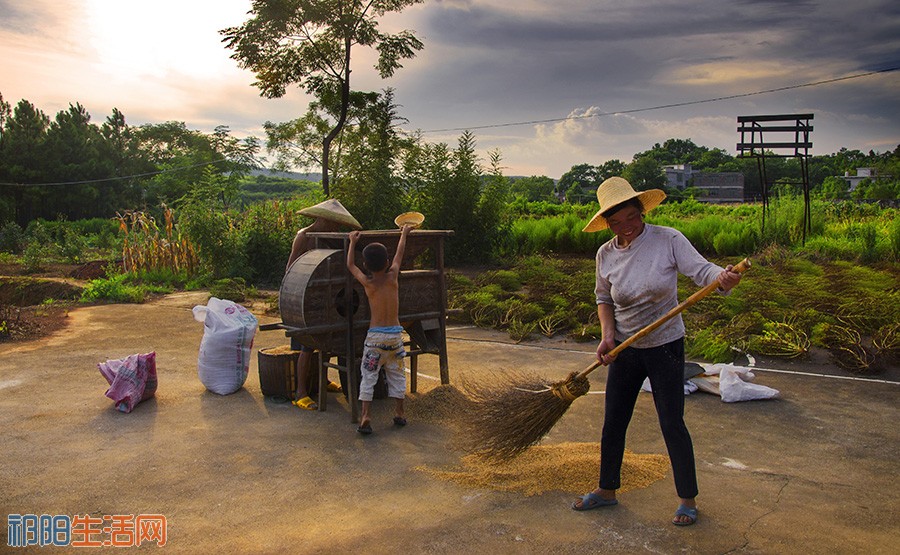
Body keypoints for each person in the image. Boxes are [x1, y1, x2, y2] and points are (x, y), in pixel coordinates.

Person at [571, 177, 742, 526]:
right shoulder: (605, 254)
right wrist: (608, 337)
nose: (626, 227)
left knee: (671, 422)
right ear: (607, 224)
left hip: (664, 345)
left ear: (642, 210)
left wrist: (721, 278)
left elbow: (702, 270)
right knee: (613, 422)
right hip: (625, 348)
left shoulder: (668, 240)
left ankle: (687, 499)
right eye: (616, 223)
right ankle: (607, 490)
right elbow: (603, 297)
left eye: (631, 217)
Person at [286, 199, 362, 411]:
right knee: (307, 345)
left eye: (338, 224)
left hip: (326, 295)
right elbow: (291, 266)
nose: (336, 227)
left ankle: (324, 380)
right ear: (321, 219)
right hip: (306, 294)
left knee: (326, 338)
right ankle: (300, 393)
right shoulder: (304, 236)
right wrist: (294, 295)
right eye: (333, 223)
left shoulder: (330, 237)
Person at [346, 224, 413, 434]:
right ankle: (400, 412)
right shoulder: (393, 276)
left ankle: (366, 415)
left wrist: (352, 242)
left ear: (365, 264)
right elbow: (399, 253)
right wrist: (403, 233)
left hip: (374, 339)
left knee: (369, 376)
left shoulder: (368, 282)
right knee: (397, 375)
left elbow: (350, 265)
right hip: (394, 339)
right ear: (386, 262)